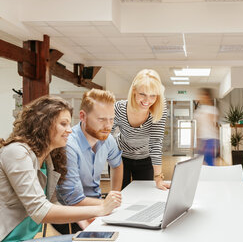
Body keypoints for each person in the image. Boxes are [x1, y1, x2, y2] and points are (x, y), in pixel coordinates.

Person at [0, 96, 121, 242]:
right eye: (63, 124)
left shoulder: (47, 159)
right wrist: (100, 209)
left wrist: (84, 218)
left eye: (70, 124)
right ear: (43, 124)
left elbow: (53, 203)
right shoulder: (17, 152)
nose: (70, 130)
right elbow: (40, 210)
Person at [55, 89, 123, 234]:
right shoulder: (68, 145)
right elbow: (75, 200)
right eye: (101, 119)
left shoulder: (108, 139)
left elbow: (117, 164)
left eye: (111, 119)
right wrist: (110, 204)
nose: (108, 126)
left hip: (97, 204)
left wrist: (114, 195)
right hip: (69, 213)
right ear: (83, 116)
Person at [112, 69, 169, 190]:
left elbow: (155, 143)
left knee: (143, 196)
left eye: (153, 95)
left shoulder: (159, 110)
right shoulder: (119, 108)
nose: (147, 101)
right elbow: (106, 135)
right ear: (134, 91)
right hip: (120, 157)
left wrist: (158, 178)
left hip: (145, 159)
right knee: (119, 195)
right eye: (142, 94)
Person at [194, 88, 220, 166]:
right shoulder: (199, 110)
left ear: (207, 96)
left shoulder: (213, 109)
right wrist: (197, 141)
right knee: (201, 162)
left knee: (209, 162)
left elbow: (214, 126)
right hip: (202, 139)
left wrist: (217, 143)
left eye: (202, 95)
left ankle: (211, 177)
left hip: (211, 139)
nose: (200, 97)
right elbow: (198, 127)